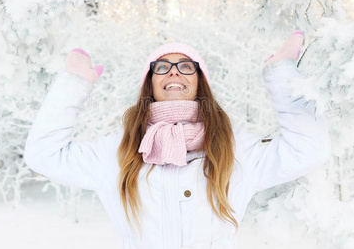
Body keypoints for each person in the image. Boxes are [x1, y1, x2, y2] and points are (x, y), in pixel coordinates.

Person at [24, 31, 331, 249]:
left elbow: (308, 150)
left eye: (186, 66)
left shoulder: (234, 149)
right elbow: (44, 154)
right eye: (162, 67)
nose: (174, 73)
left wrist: (281, 75)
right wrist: (73, 85)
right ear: (150, 82)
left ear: (200, 81)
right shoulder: (119, 152)